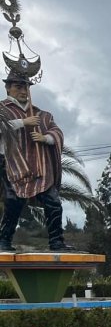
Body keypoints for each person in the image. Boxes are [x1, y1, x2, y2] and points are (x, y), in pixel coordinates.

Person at [0, 71, 73, 252]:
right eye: (18, 86)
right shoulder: (2, 109)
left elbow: (56, 131)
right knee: (13, 201)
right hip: (11, 165)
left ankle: (56, 242)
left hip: (38, 166)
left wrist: (45, 137)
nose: (23, 91)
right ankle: (4, 241)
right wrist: (23, 122)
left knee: (53, 201)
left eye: (25, 87)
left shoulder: (42, 114)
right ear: (8, 88)